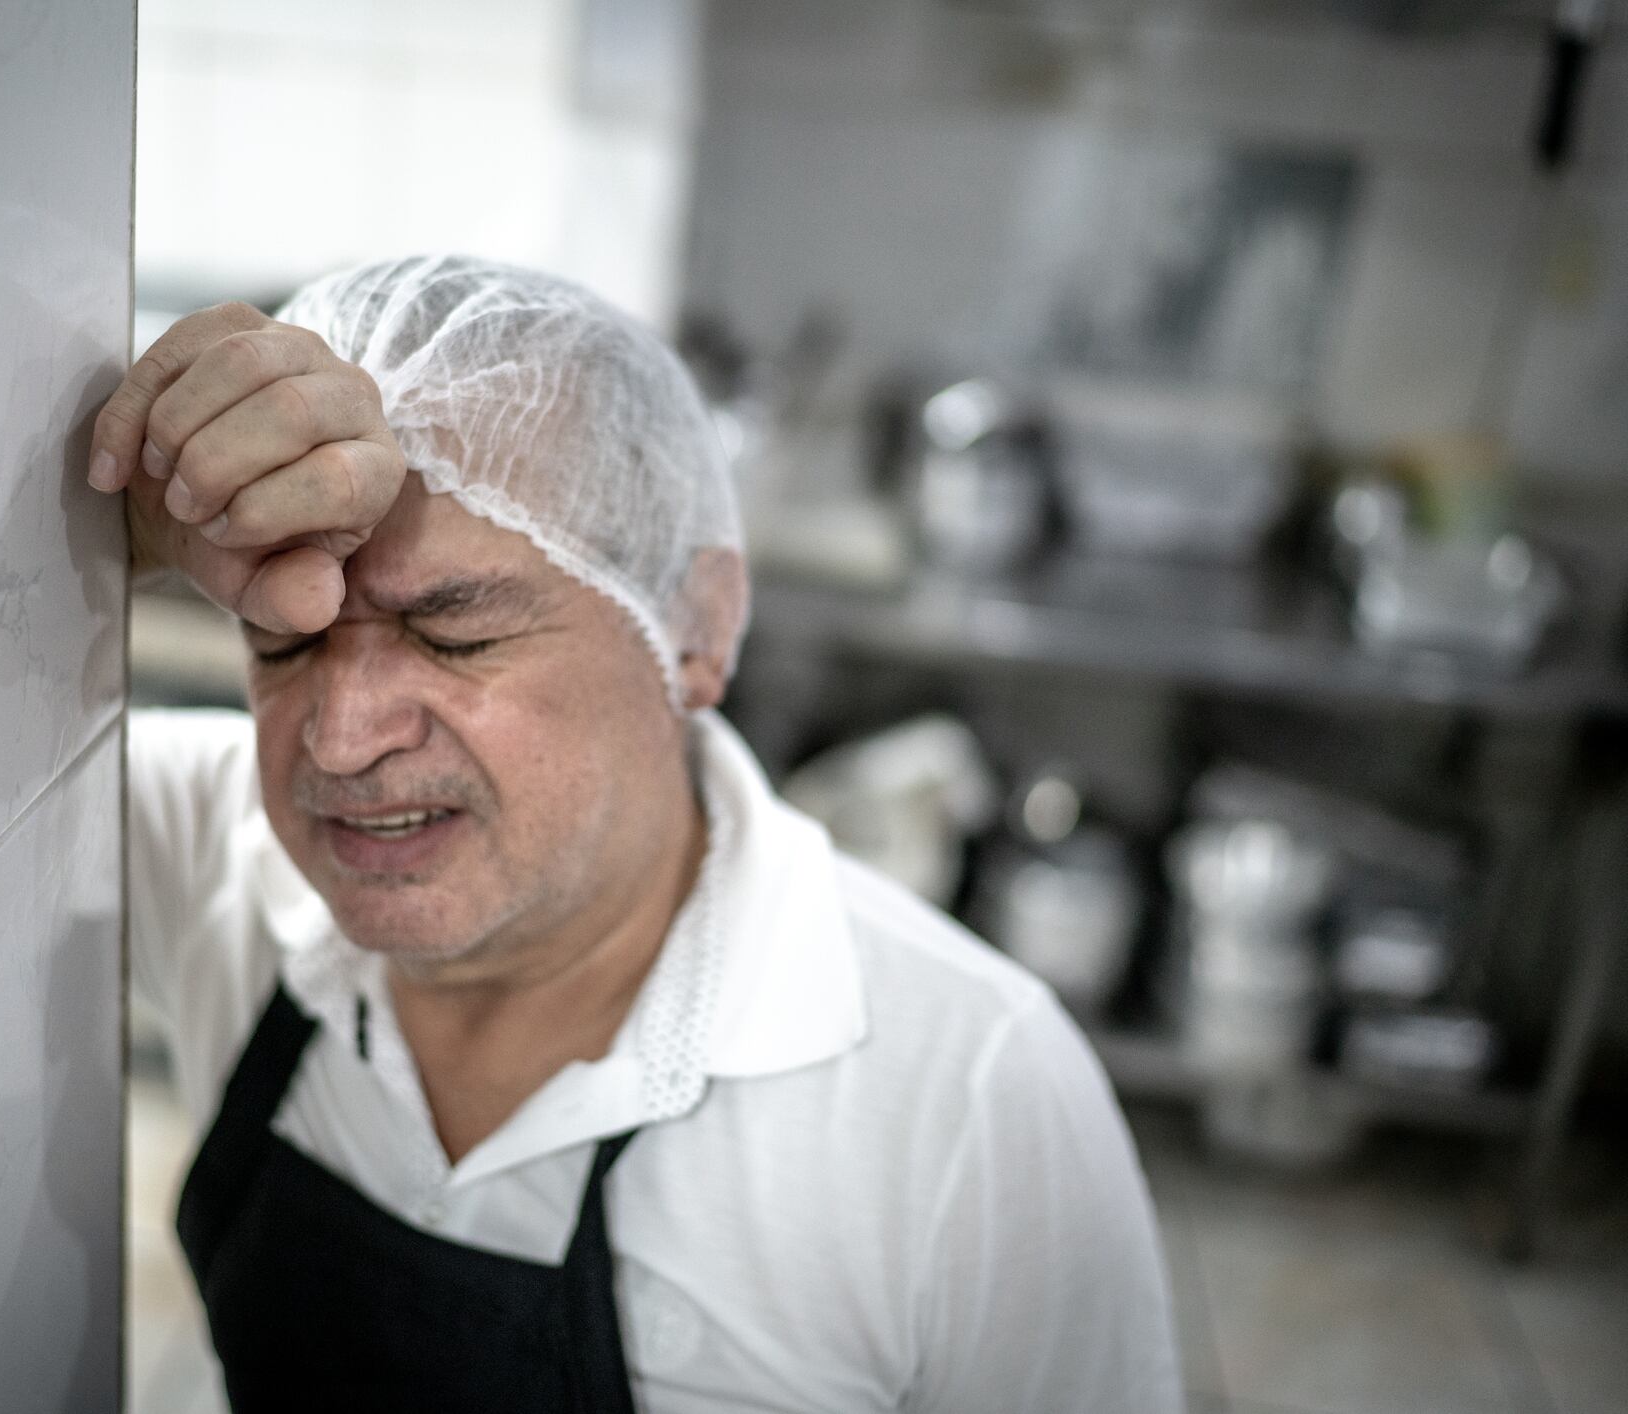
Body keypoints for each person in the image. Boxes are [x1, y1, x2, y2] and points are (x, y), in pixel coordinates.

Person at [87, 254, 1183, 1413]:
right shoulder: (215, 845)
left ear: (696, 625)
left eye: (454, 635)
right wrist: (122, 533)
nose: (342, 739)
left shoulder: (968, 1099)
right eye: (284, 640)